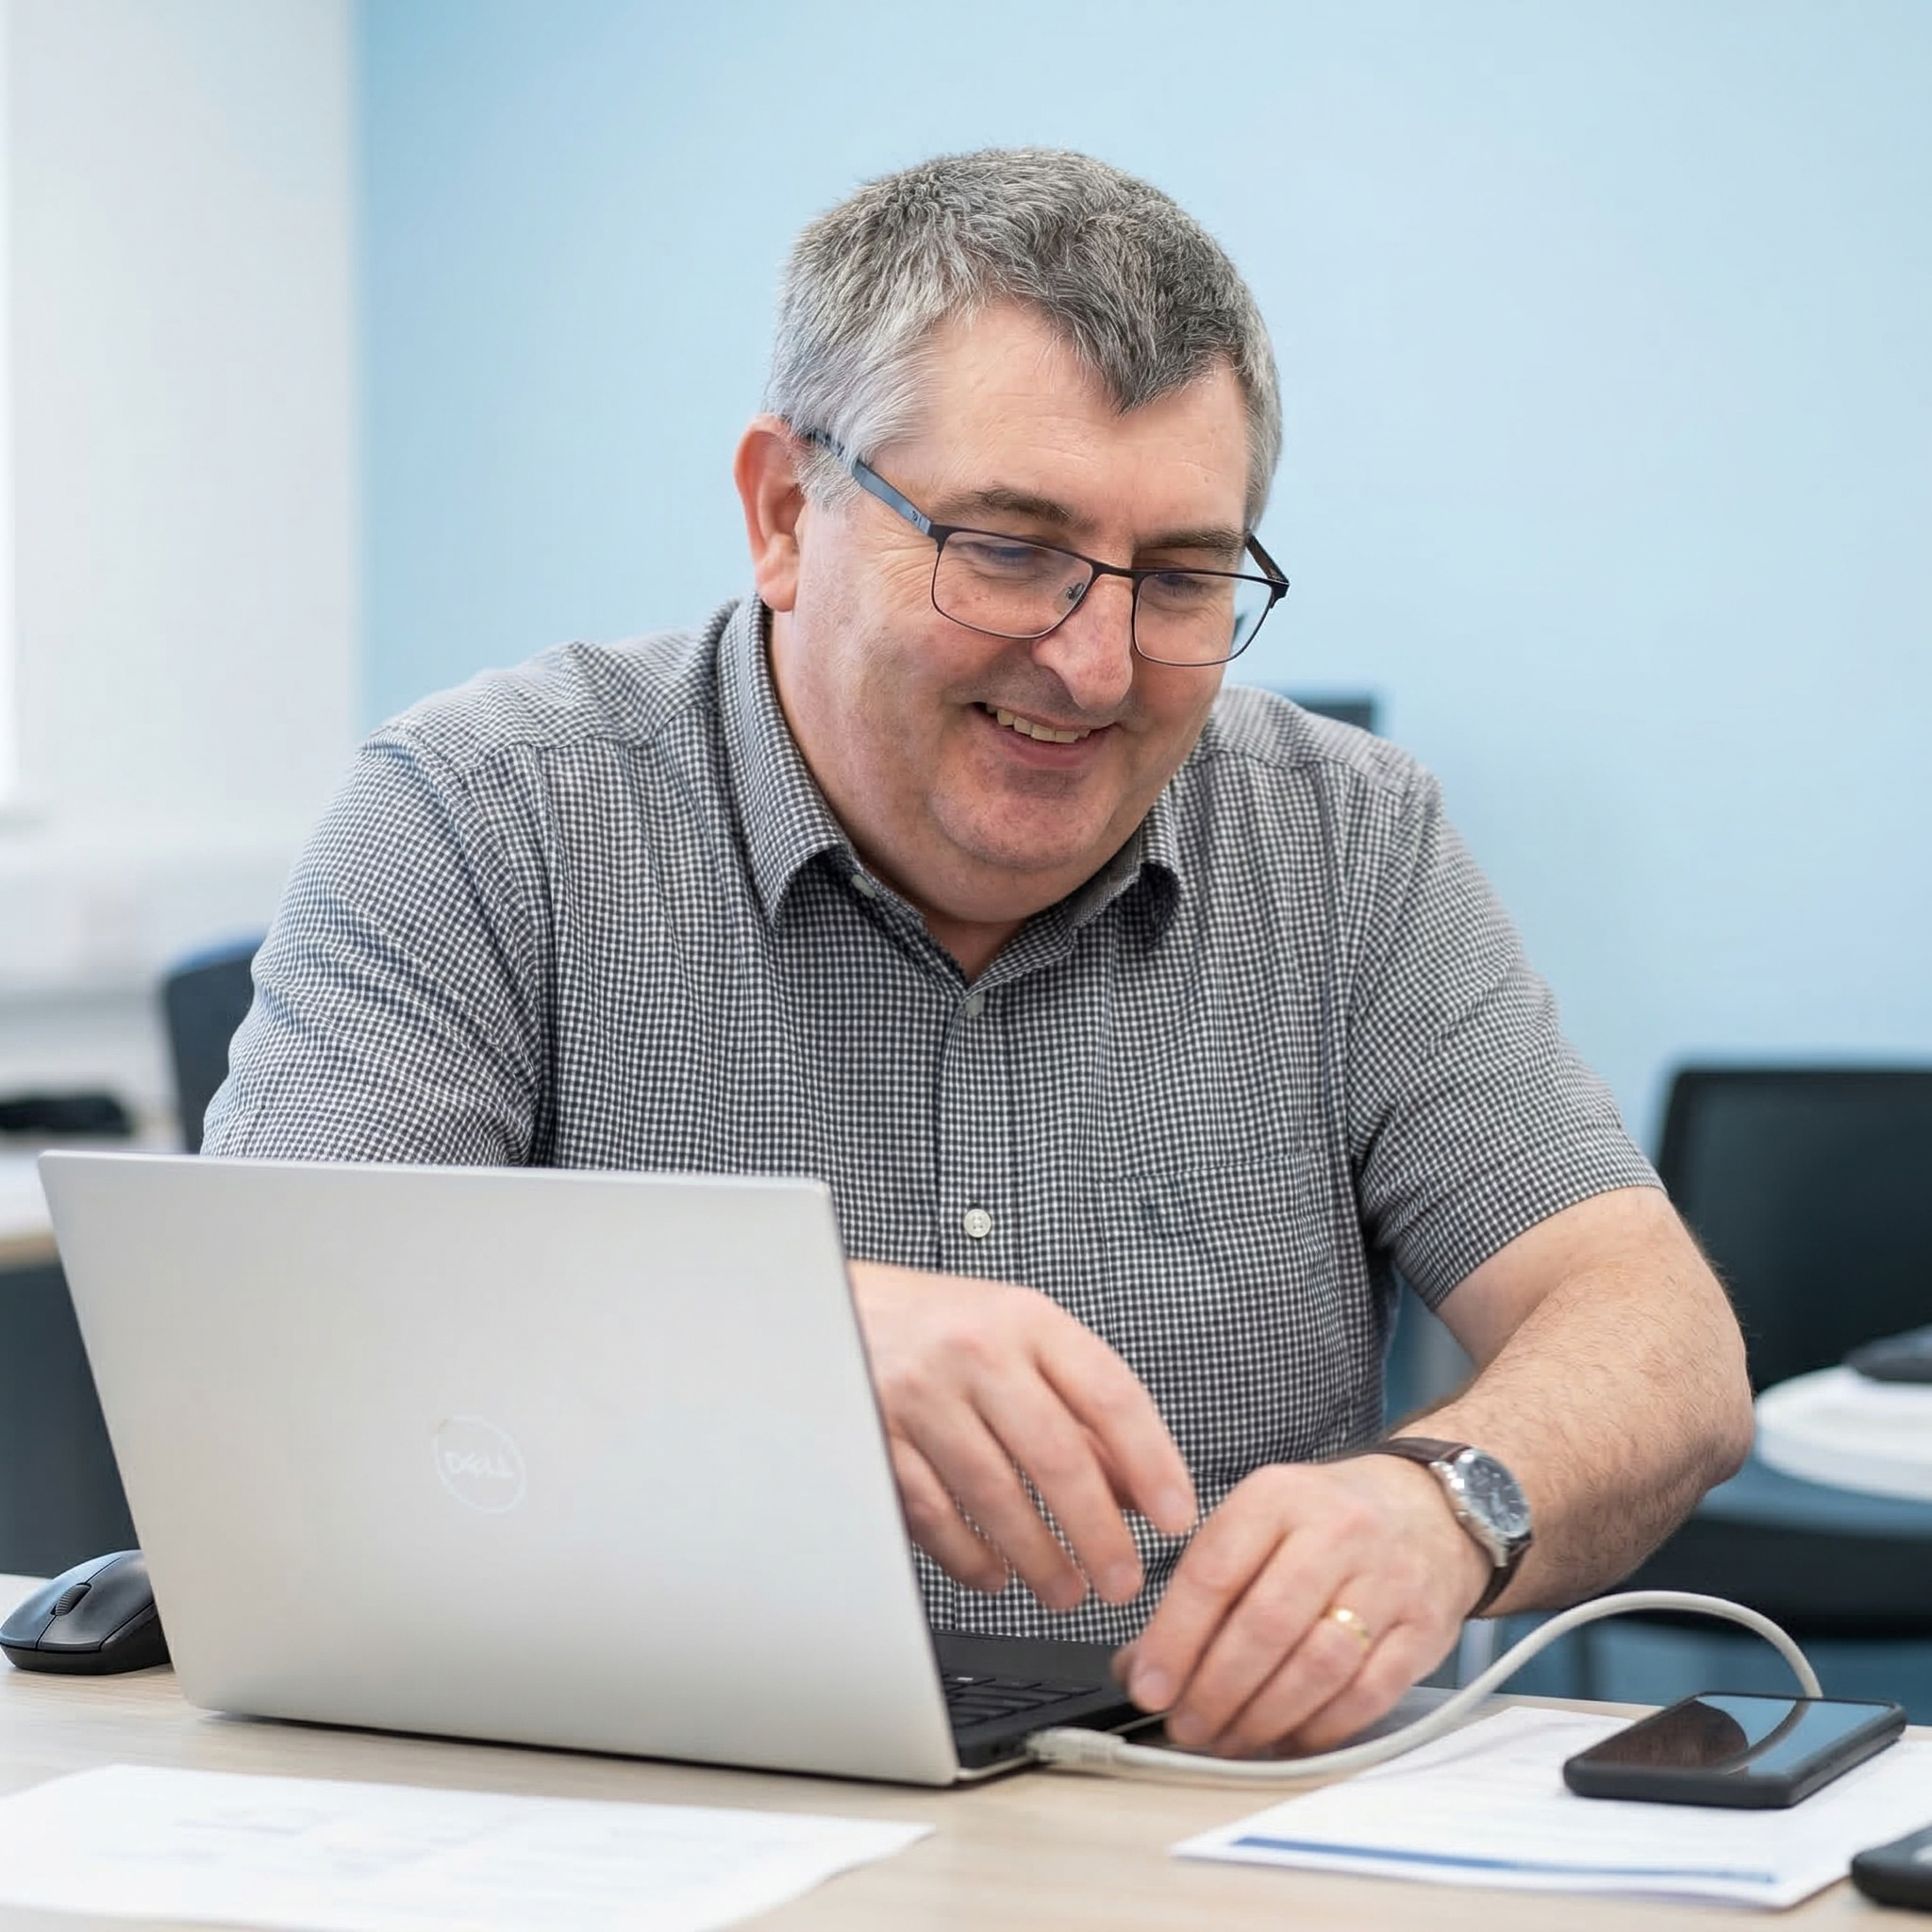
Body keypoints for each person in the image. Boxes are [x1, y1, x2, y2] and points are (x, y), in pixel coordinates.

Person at [205, 148, 1753, 1759]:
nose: (1092, 665)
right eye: (1008, 548)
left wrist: (1444, 1506)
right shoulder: (488, 809)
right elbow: (260, 1351)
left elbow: (1657, 1336)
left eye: (1182, 577)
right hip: (614, 1802)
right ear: (787, 513)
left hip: (1183, 1836)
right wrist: (764, 1336)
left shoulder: (1347, 844)